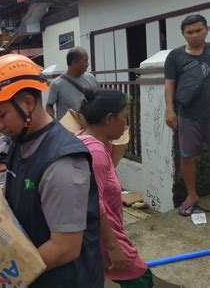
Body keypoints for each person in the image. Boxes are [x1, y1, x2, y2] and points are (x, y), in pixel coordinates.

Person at [0, 54, 103, 287]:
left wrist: (6, 278)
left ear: (28, 103)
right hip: (37, 273)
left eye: (1, 115)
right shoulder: (18, 142)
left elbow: (65, 248)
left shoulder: (63, 163)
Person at [77, 90, 153, 287]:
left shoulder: (86, 139)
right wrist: (113, 246)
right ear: (110, 118)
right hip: (105, 236)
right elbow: (93, 201)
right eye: (124, 118)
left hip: (97, 235)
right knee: (141, 279)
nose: (126, 126)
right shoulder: (95, 153)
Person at [164, 14, 210, 216]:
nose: (194, 35)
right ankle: (192, 194)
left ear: (206, 30)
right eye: (189, 32)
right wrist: (169, 109)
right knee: (187, 155)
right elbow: (170, 84)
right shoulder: (175, 56)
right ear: (183, 34)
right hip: (188, 115)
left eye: (198, 30)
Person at [46, 47, 99, 120]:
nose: (88, 64)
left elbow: (99, 99)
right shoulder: (56, 84)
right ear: (74, 62)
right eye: (85, 61)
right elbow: (49, 106)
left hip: (88, 126)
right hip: (67, 129)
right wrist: (52, 120)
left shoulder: (91, 78)